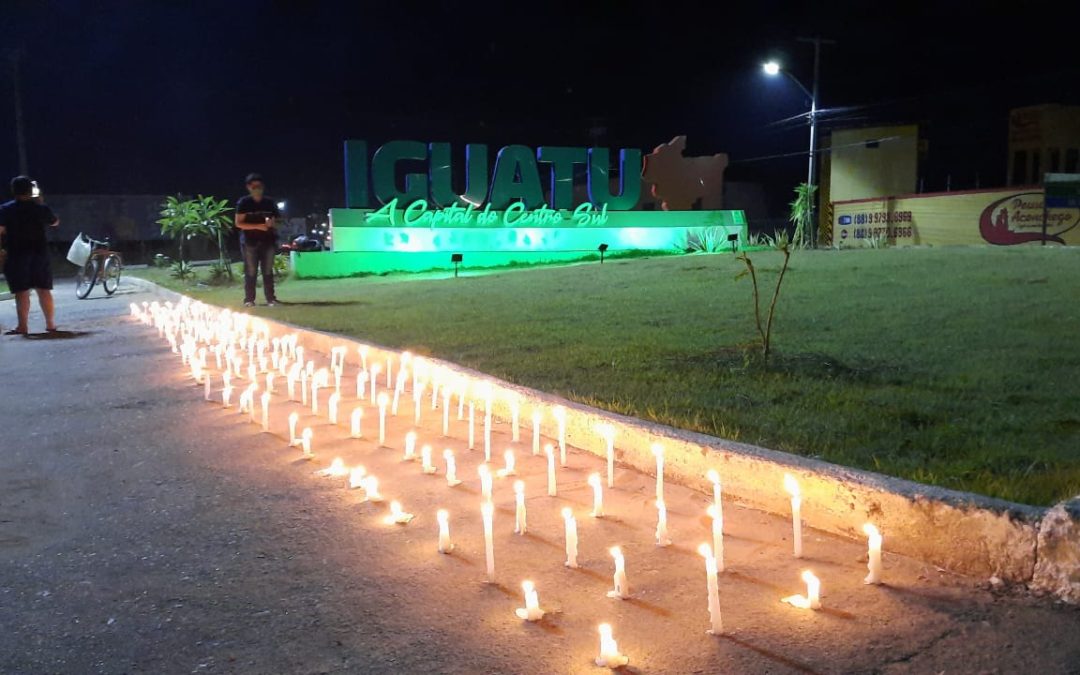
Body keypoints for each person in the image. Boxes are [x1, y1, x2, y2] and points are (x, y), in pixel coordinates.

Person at [0, 176, 60, 335]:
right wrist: (39, 201)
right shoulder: (40, 208)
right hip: (39, 252)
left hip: (17, 253)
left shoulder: (6, 209)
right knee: (44, 289)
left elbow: (1, 229)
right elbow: (55, 222)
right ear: (31, 190)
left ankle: (23, 326)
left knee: (22, 291)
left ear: (13, 191)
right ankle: (50, 324)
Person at [234, 173, 281, 307]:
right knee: (251, 271)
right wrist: (258, 226)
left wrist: (272, 223)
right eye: (254, 186)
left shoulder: (269, 202)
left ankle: (271, 299)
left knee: (267, 270)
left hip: (268, 241)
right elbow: (238, 223)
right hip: (249, 242)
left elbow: (278, 220)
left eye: (259, 186)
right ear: (248, 187)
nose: (257, 189)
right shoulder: (244, 202)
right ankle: (249, 300)